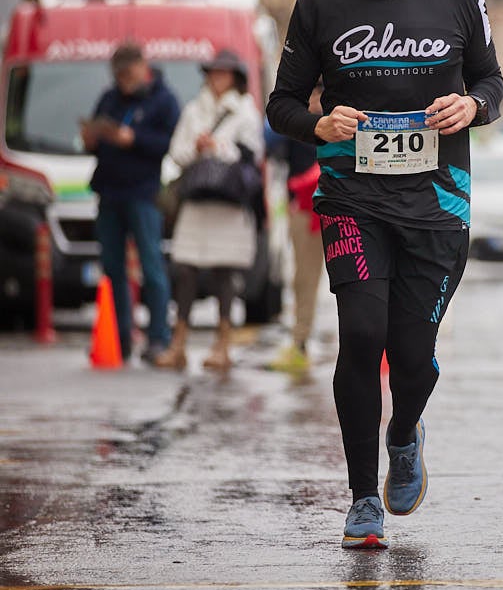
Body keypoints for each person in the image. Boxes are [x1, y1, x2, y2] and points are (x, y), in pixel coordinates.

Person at [265, 0, 503, 550]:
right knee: (362, 335)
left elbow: (492, 82)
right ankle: (363, 498)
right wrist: (319, 125)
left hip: (437, 204)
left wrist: (473, 104)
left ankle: (404, 433)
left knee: (413, 354)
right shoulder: (320, 4)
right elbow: (281, 103)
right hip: (352, 199)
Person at [153, 50, 264, 372]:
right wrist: (197, 148)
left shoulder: (246, 112)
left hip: (228, 204)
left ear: (234, 77)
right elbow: (176, 153)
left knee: (224, 273)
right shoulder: (193, 110)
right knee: (185, 269)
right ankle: (179, 343)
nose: (217, 78)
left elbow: (252, 156)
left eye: (224, 73)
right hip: (198, 200)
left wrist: (219, 148)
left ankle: (222, 344)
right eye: (213, 72)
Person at [80, 41, 180, 363]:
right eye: (118, 76)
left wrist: (133, 139)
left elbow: (170, 143)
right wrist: (92, 139)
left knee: (152, 266)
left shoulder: (163, 100)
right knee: (112, 269)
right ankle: (119, 337)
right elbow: (96, 141)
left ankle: (158, 339)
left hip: (143, 194)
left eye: (127, 74)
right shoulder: (110, 98)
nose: (123, 81)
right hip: (109, 192)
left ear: (141, 66)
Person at [264, 84, 324, 374]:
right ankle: (300, 342)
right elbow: (274, 151)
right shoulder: (296, 124)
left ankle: (377, 346)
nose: (315, 100)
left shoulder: (344, 120)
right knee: (303, 279)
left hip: (344, 207)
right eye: (311, 93)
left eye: (320, 94)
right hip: (303, 210)